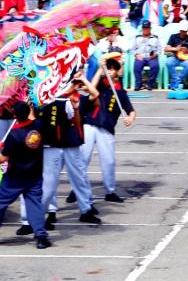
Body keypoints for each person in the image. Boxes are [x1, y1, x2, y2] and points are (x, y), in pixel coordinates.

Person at [0, 102, 51, 249]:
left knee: (0, 203)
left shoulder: (14, 134)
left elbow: (3, 158)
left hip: (15, 177)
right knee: (35, 206)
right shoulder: (38, 126)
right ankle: (41, 236)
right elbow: (32, 117)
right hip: (34, 175)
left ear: (14, 115)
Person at [38, 91, 101, 228]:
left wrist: (75, 108)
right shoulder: (42, 96)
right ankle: (45, 213)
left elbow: (78, 121)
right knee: (49, 182)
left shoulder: (72, 97)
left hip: (70, 143)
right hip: (51, 144)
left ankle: (86, 210)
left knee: (79, 177)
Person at [81, 61, 135, 203]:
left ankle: (110, 191)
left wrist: (130, 118)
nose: (109, 71)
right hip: (89, 124)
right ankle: (78, 189)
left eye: (112, 69)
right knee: (83, 158)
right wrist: (100, 69)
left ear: (117, 72)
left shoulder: (121, 92)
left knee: (109, 161)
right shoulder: (100, 84)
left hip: (107, 128)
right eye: (108, 69)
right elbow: (90, 88)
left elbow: (131, 110)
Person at [164, 20, 188, 89]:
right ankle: (176, 81)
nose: (183, 32)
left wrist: (186, 50)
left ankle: (176, 81)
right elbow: (166, 48)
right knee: (168, 62)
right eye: (182, 30)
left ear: (187, 30)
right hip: (174, 57)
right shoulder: (173, 36)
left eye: (184, 31)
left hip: (185, 58)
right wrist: (175, 49)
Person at [131, 20, 161, 91]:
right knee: (137, 67)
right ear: (142, 28)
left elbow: (159, 49)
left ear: (150, 28)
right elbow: (132, 49)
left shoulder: (155, 38)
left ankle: (150, 84)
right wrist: (136, 55)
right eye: (144, 28)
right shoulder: (137, 37)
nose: (145, 29)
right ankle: (138, 84)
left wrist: (155, 54)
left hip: (151, 57)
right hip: (140, 56)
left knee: (155, 66)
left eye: (147, 28)